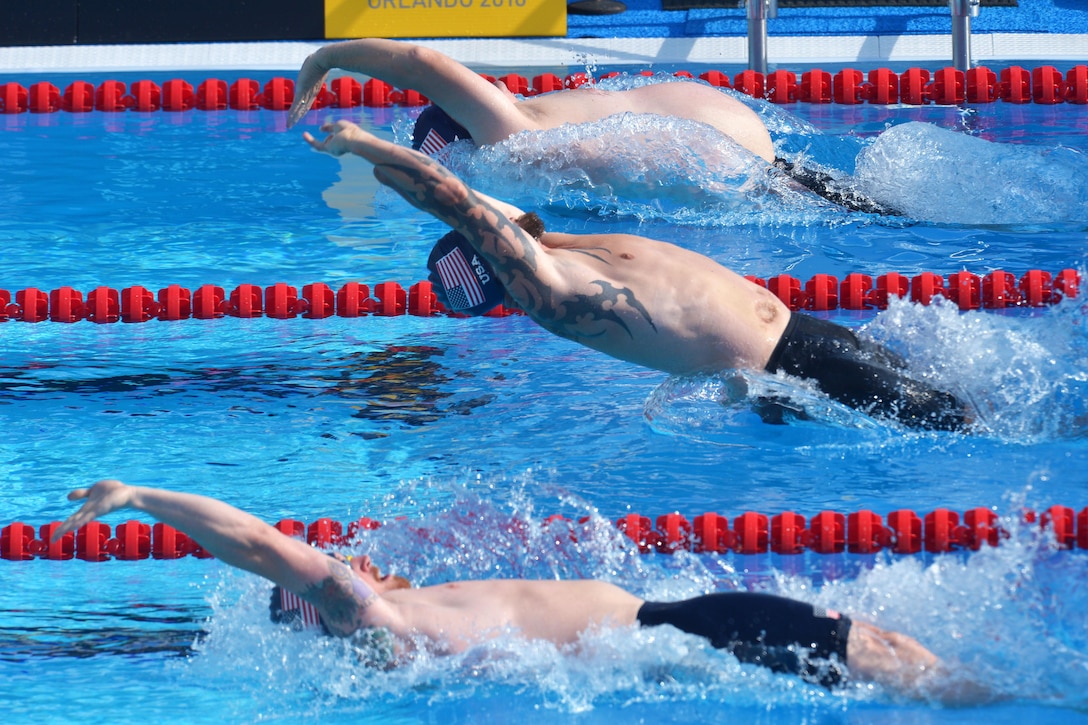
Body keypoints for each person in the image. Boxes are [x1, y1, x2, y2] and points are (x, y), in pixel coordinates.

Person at [304, 120, 968, 431]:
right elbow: (447, 198)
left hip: (801, 339)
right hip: (792, 365)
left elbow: (467, 202)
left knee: (961, 399)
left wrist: (375, 165)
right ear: (501, 259)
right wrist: (362, 146)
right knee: (963, 420)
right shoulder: (552, 293)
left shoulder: (553, 242)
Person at [53, 479, 970, 699]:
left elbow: (262, 550)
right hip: (678, 629)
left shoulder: (383, 624)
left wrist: (146, 499)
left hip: (676, 634)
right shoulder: (393, 617)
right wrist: (138, 496)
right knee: (890, 662)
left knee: (889, 663)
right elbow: (259, 546)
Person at [287, 39, 895, 215]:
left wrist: (322, 58)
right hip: (730, 119)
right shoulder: (558, 103)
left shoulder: (505, 136)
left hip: (721, 156)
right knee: (835, 194)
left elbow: (422, 63)